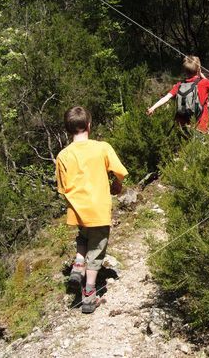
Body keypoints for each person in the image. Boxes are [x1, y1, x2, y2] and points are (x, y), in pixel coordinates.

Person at [56, 106, 128, 313]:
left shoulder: (63, 155)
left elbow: (62, 188)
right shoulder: (102, 147)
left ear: (67, 131)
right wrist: (117, 184)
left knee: (83, 237)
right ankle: (89, 294)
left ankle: (78, 265)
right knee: (96, 249)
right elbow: (120, 171)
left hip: (78, 210)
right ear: (89, 125)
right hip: (99, 208)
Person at [147, 55, 209, 133]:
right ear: (199, 70)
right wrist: (203, 76)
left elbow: (166, 97)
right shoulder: (205, 83)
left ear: (185, 72)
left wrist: (152, 108)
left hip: (182, 127)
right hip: (200, 127)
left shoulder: (179, 85)